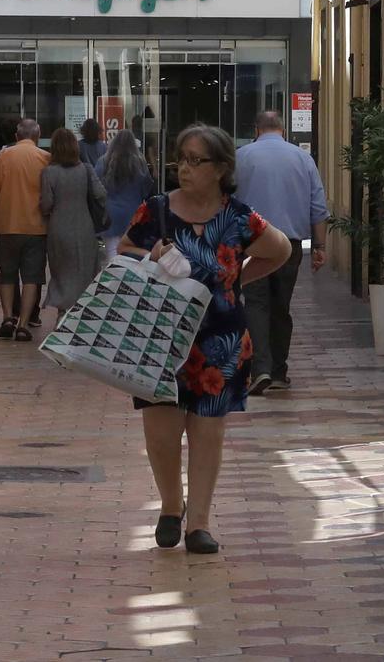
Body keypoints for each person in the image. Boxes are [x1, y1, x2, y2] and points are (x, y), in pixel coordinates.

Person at [120, 125, 292, 555]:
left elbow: (281, 250)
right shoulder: (156, 210)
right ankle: (170, 505)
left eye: (197, 160)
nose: (186, 168)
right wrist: (151, 255)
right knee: (160, 432)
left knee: (207, 432)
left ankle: (198, 522)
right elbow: (124, 250)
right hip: (159, 334)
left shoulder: (238, 217)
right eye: (182, 158)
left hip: (219, 337)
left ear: (221, 169)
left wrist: (237, 279)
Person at [235, 110, 329, 395]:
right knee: (281, 306)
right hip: (289, 246)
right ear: (283, 130)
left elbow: (227, 202)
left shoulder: (242, 157)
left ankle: (259, 368)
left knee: (255, 302)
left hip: (252, 243)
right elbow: (318, 207)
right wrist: (320, 247)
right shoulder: (303, 159)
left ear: (257, 129)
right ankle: (278, 371)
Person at [0, 118, 51, 341]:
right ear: (37, 137)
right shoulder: (46, 158)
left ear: (16, 137)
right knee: (32, 277)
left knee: (7, 275)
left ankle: (8, 317)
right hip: (36, 228)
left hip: (6, 226)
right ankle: (23, 324)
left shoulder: (3, 157)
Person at [40, 126, 108, 321]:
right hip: (84, 227)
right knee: (84, 271)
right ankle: (81, 313)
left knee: (61, 272)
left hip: (59, 228)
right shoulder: (85, 169)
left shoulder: (49, 172)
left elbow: (46, 204)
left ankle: (62, 312)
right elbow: (101, 194)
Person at [98, 128, 154, 253]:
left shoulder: (103, 161)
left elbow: (96, 188)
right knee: (130, 255)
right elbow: (147, 188)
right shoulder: (140, 161)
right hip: (133, 214)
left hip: (110, 214)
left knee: (111, 255)